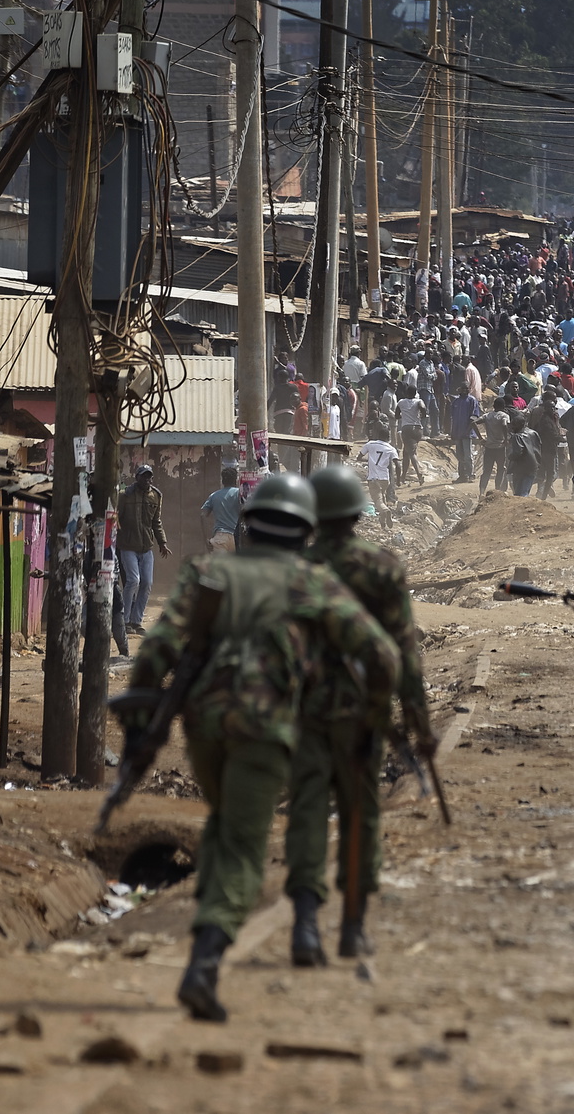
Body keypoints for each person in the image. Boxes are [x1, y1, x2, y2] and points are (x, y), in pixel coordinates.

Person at [131, 474, 401, 1021]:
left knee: (225, 822)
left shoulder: (208, 572)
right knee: (243, 844)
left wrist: (144, 725)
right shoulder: (311, 583)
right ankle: (204, 962)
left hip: (203, 728)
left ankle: (216, 930)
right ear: (303, 531)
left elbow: (157, 648)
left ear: (249, 523)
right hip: (266, 730)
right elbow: (381, 655)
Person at [286, 466, 434, 966]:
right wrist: (419, 722)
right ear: (356, 512)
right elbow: (404, 651)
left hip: (304, 712)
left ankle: (305, 925)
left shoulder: (296, 570)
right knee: (359, 813)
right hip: (364, 714)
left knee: (306, 810)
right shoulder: (381, 568)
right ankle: (352, 926)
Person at [117, 464, 170, 634]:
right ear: (137, 478)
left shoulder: (155, 496)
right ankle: (124, 620)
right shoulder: (124, 496)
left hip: (147, 547)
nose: (147, 480)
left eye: (149, 477)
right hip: (127, 546)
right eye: (143, 477)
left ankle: (136, 621)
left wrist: (162, 542)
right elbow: (116, 518)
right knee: (133, 580)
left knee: (147, 583)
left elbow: (156, 522)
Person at [200, 466, 243, 553]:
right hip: (237, 537)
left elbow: (203, 515)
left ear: (222, 480)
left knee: (218, 567)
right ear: (235, 480)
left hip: (220, 538)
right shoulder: (240, 494)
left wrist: (206, 538)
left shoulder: (214, 495)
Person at [360, 433, 399, 524]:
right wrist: (399, 479)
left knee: (377, 500)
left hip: (373, 478)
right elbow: (398, 465)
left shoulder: (370, 444)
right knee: (382, 496)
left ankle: (385, 511)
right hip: (385, 479)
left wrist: (370, 460)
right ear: (388, 438)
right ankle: (383, 520)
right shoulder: (391, 448)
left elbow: (359, 456)